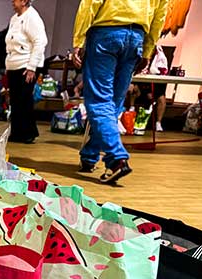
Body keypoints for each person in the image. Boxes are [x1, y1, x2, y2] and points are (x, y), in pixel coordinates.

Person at [73, 0, 169, 184]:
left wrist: (78, 40)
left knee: (99, 102)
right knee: (113, 105)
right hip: (136, 38)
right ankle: (89, 156)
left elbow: (91, 2)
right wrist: (147, 51)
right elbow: (160, 15)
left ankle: (117, 159)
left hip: (105, 32)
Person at [5, 0, 48, 144]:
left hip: (26, 65)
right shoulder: (14, 18)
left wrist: (32, 67)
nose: (12, 2)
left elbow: (40, 42)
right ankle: (17, 132)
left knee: (24, 99)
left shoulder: (32, 17)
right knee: (15, 101)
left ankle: (29, 132)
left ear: (24, 1)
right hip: (13, 65)